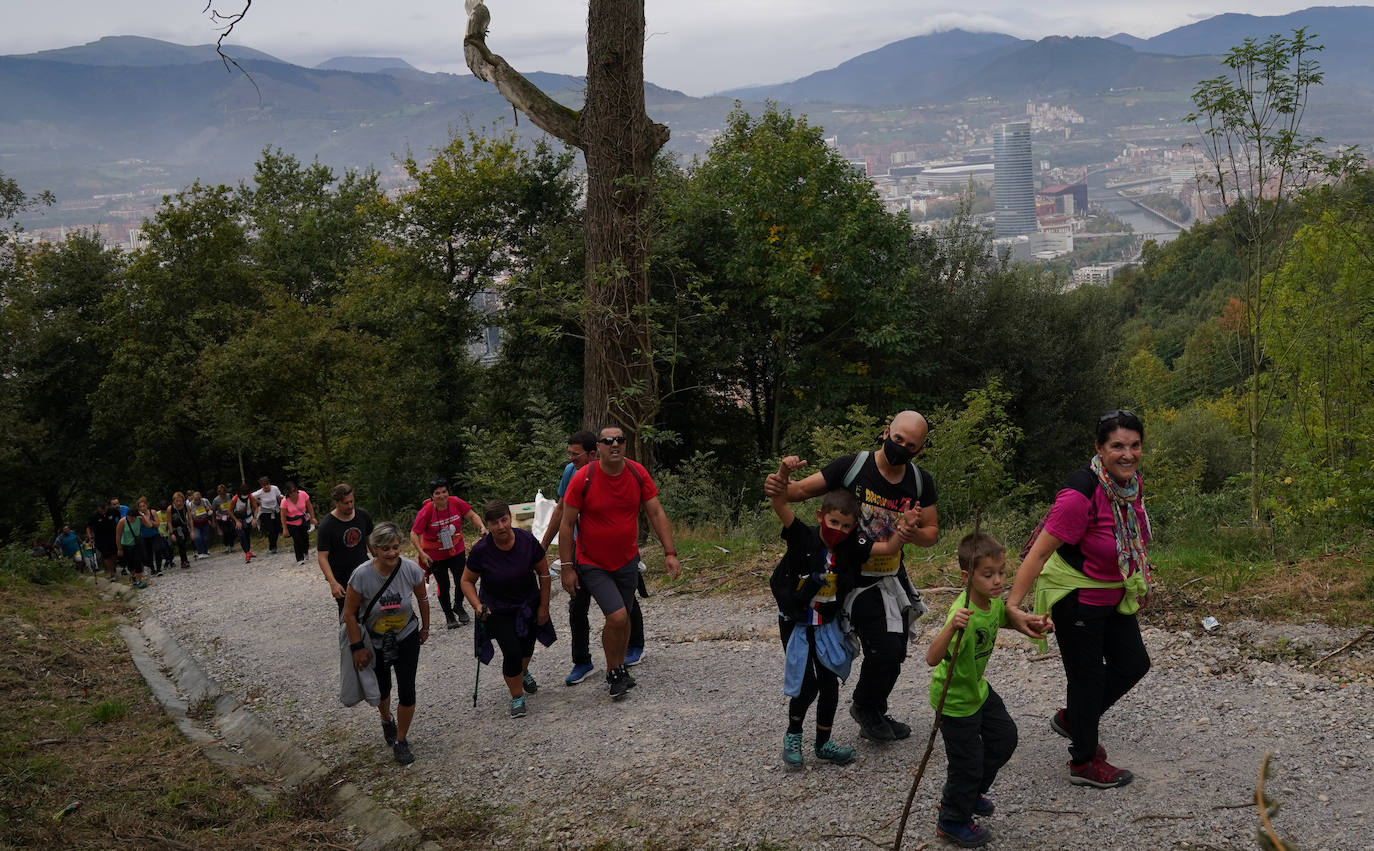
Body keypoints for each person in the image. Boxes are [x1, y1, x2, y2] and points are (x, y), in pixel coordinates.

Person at [764, 410, 939, 743]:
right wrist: (779, 483)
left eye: (910, 445)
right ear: (886, 431)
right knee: (885, 649)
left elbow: (932, 531)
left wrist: (910, 531)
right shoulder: (854, 466)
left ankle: (870, 705)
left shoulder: (919, 481)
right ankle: (867, 708)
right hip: (849, 576)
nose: (901, 447)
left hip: (890, 574)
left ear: (918, 450)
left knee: (895, 650)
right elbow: (798, 492)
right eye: (898, 439)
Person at [1007, 409, 1152, 789]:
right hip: (1076, 597)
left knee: (1133, 663)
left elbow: (1131, 541)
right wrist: (1013, 606)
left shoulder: (1129, 486)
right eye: (1117, 446)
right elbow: (1038, 554)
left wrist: (1141, 580)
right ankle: (1084, 762)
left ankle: (1074, 719)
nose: (1128, 454)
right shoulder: (1080, 493)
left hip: (1114, 593)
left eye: (1135, 445)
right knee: (1086, 679)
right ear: (1099, 449)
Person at [769, 458, 919, 769]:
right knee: (806, 685)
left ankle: (823, 743)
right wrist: (784, 473)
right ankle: (793, 735)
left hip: (827, 622)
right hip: (796, 622)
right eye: (834, 522)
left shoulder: (853, 544)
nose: (839, 530)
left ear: (855, 528)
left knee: (828, 684)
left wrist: (904, 528)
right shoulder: (802, 535)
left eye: (847, 526)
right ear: (821, 516)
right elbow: (780, 501)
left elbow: (888, 549)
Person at [927, 532, 1051, 847]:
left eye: (1001, 573)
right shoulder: (962, 614)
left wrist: (1030, 623)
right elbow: (932, 658)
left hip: (978, 691)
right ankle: (952, 819)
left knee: (1004, 738)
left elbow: (1001, 617)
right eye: (988, 575)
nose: (998, 581)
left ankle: (970, 793)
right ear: (967, 577)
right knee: (966, 763)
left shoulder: (991, 602)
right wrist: (952, 626)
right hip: (954, 700)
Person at [558, 425, 681, 701]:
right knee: (617, 616)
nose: (615, 445)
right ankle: (613, 671)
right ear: (598, 447)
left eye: (620, 440)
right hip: (592, 562)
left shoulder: (637, 473)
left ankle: (620, 668)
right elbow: (566, 525)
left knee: (623, 620)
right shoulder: (583, 478)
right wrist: (567, 568)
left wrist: (669, 552)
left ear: (625, 445)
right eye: (608, 441)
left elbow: (656, 513)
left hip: (626, 560)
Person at [541, 430, 648, 685]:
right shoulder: (573, 474)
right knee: (578, 605)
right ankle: (582, 661)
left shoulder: (622, 470)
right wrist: (543, 546)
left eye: (576, 456)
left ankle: (632, 649)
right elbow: (560, 510)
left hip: (619, 550)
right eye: (570, 456)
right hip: (582, 552)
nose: (571, 461)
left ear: (592, 453)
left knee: (625, 603)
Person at [342, 522, 430, 766]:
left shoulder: (411, 570)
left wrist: (425, 627)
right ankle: (385, 718)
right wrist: (357, 647)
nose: (392, 553)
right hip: (374, 641)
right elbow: (349, 614)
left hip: (406, 635)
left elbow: (422, 598)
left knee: (407, 689)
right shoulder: (361, 576)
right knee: (382, 689)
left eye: (395, 547)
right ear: (374, 549)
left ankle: (401, 740)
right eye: (385, 549)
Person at [462, 500, 554, 718]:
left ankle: (522, 672)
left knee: (526, 648)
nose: (501, 526)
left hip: (528, 604)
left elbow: (544, 572)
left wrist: (544, 605)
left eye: (504, 520)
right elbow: (466, 581)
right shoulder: (481, 550)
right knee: (512, 652)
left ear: (509, 518)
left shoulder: (526, 540)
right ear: (487, 524)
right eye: (495, 523)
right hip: (497, 609)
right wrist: (477, 605)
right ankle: (516, 695)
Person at [409, 478, 485, 629]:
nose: (442, 496)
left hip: (456, 549)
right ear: (432, 496)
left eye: (444, 492)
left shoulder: (456, 502)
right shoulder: (426, 512)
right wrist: (422, 553)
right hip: (435, 554)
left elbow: (472, 515)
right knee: (443, 585)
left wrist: (481, 527)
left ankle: (458, 606)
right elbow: (414, 533)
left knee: (462, 580)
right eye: (437, 493)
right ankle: (449, 615)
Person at [318, 483, 375, 614]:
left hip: (364, 571)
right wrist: (333, 583)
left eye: (351, 501)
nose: (350, 506)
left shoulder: (363, 516)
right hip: (342, 577)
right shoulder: (327, 525)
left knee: (371, 609)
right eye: (345, 503)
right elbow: (322, 557)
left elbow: (370, 542)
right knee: (348, 614)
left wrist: (382, 561)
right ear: (336, 503)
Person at [115, 496, 152, 588]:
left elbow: (149, 525)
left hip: (137, 544)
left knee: (138, 562)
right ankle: (133, 577)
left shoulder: (139, 519)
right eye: (129, 517)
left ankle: (139, 581)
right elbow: (118, 535)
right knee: (130, 564)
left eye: (133, 518)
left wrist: (142, 516)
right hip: (126, 545)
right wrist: (119, 548)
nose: (131, 519)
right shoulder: (122, 522)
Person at [280, 481, 318, 567]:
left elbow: (309, 507)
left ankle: (305, 551)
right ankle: (299, 558)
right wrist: (285, 529)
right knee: (297, 540)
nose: (293, 493)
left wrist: (313, 518)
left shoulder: (303, 494)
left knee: (305, 538)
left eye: (294, 490)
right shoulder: (284, 501)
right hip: (291, 523)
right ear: (287, 493)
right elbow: (283, 517)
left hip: (303, 520)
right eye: (291, 492)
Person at [86, 499, 122, 582]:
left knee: (114, 554)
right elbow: (88, 527)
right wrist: (90, 537)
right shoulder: (94, 516)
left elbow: (120, 518)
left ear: (107, 507)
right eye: (101, 510)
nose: (103, 512)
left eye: (105, 509)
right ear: (98, 509)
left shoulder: (112, 511)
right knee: (106, 556)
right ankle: (112, 574)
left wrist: (120, 529)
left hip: (113, 536)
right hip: (100, 539)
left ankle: (113, 568)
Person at [253, 476, 284, 555]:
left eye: (267, 484)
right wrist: (258, 502)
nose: (266, 486)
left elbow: (279, 498)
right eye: (264, 485)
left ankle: (274, 545)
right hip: (265, 513)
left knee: (277, 529)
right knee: (271, 530)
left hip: (275, 510)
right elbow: (250, 496)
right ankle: (272, 547)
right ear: (262, 486)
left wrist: (283, 508)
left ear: (269, 483)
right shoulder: (259, 492)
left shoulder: (274, 488)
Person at [231, 483, 257, 563]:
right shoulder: (235, 498)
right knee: (241, 536)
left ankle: (248, 552)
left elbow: (255, 507)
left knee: (247, 535)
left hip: (248, 518)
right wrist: (236, 521)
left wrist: (254, 518)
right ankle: (247, 553)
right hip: (238, 520)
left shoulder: (250, 497)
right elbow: (229, 511)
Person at [167, 491, 193, 569]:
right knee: (180, 543)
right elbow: (169, 522)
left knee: (183, 544)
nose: (178, 503)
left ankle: (184, 560)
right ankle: (184, 561)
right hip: (175, 529)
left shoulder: (186, 506)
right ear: (173, 501)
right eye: (176, 501)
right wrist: (172, 534)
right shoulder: (170, 508)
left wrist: (192, 531)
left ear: (183, 500)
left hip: (184, 527)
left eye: (180, 501)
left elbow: (190, 519)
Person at [188, 490, 214, 559]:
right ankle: (200, 552)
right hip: (196, 524)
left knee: (205, 538)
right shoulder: (190, 505)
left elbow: (211, 512)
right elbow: (188, 517)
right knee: (197, 537)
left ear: (201, 498)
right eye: (195, 500)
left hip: (205, 522)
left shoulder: (205, 501)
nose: (197, 502)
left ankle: (205, 552)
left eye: (198, 500)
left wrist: (208, 511)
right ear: (193, 499)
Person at [213, 484, 237, 554]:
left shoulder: (230, 496)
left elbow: (234, 504)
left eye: (223, 491)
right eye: (220, 491)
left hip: (231, 516)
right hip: (222, 518)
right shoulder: (216, 500)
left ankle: (232, 546)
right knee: (226, 532)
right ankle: (226, 546)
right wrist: (214, 520)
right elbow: (214, 510)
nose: (222, 493)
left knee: (232, 531)